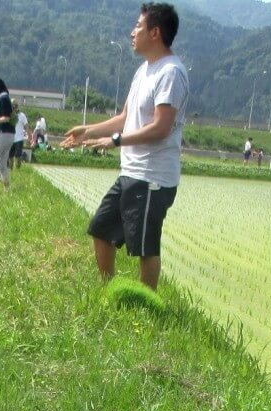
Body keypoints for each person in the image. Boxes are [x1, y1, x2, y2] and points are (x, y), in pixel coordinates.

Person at [61, 3, 188, 291]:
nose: (133, 32)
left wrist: (115, 141)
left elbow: (161, 127)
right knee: (101, 230)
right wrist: (88, 130)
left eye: (138, 27)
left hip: (153, 177)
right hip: (132, 172)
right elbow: (124, 118)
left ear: (155, 33)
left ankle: (147, 308)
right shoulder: (144, 70)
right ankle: (110, 290)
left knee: (145, 248)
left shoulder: (171, 73)